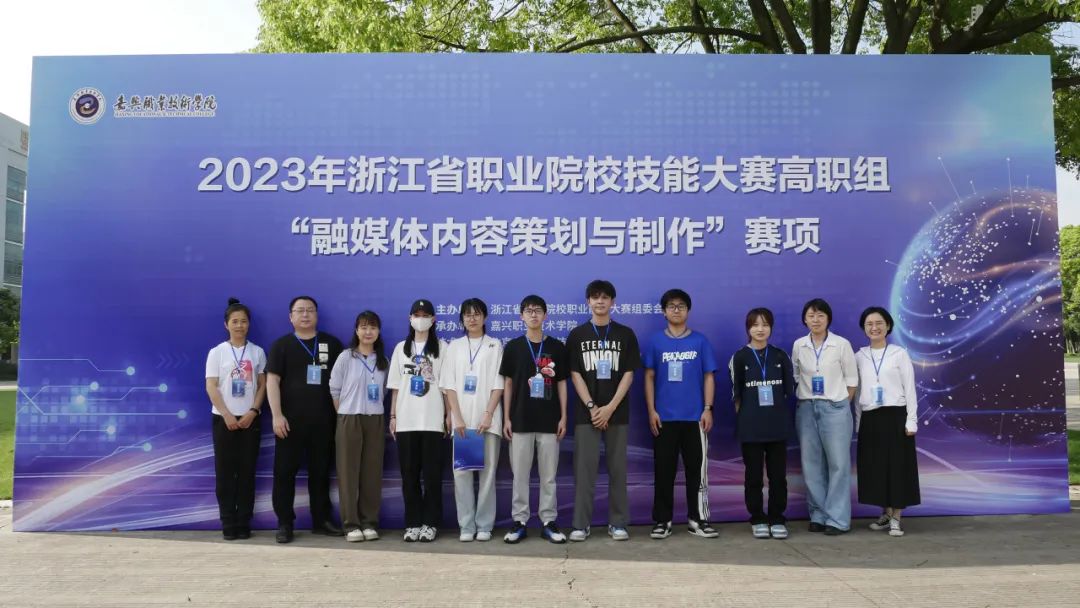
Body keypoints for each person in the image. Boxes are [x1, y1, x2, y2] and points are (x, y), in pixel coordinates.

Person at [567, 279, 641, 542]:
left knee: (618, 470)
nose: (600, 301)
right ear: (588, 301)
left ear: (613, 302)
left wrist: (609, 408)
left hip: (616, 413)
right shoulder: (577, 335)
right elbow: (575, 374)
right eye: (595, 297)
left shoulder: (625, 334)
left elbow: (629, 373)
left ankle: (618, 523)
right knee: (584, 471)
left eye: (605, 297)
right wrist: (592, 407)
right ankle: (581, 524)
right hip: (586, 414)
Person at [267, 295, 345, 544]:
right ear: (290, 317)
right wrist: (277, 415)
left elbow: (344, 381)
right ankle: (285, 523)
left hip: (324, 422)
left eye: (310, 310)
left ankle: (321, 520)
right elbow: (272, 381)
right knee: (284, 474)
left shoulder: (332, 344)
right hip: (289, 423)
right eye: (299, 310)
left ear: (317, 315)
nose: (305, 314)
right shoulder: (281, 345)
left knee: (320, 473)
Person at [643, 289, 719, 540]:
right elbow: (649, 377)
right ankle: (662, 520)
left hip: (695, 418)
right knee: (663, 471)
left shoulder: (700, 341)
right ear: (664, 312)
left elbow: (709, 377)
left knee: (697, 472)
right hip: (663, 418)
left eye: (681, 306)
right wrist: (652, 410)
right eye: (671, 306)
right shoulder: (655, 341)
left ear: (688, 310)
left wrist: (707, 408)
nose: (676, 310)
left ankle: (698, 519)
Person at [501, 295, 569, 544]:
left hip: (550, 421)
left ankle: (548, 521)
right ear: (521, 316)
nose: (533, 314)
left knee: (548, 476)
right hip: (520, 420)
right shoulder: (513, 347)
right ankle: (519, 521)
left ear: (545, 315)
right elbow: (508, 384)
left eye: (538, 310)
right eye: (528, 311)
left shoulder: (557, 347)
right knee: (520, 476)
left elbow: (561, 384)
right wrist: (506, 418)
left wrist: (564, 416)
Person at [791, 298, 858, 536]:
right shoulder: (799, 345)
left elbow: (852, 380)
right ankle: (818, 515)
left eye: (820, 315)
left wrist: (840, 403)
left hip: (835, 407)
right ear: (805, 319)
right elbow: (796, 375)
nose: (816, 320)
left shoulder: (841, 344)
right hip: (807, 407)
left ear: (828, 318)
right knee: (811, 465)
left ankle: (837, 519)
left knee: (838, 464)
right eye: (811, 316)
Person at [441, 298, 504, 542]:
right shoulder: (454, 347)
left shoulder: (494, 345)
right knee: (463, 474)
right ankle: (466, 526)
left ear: (485, 317)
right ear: (462, 319)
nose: (472, 318)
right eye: (467, 315)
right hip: (463, 422)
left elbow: (499, 383)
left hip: (488, 421)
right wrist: (455, 416)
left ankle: (485, 525)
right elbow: (449, 384)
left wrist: (488, 413)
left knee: (487, 474)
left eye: (477, 314)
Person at [855, 306, 921, 537]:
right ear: (864, 328)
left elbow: (910, 388)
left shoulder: (898, 354)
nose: (874, 328)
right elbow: (858, 392)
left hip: (895, 416)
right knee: (876, 468)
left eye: (879, 323)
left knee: (897, 467)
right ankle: (885, 513)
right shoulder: (859, 356)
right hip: (870, 418)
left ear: (888, 326)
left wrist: (911, 420)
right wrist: (858, 422)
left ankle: (896, 518)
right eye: (869, 324)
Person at [204, 298, 266, 541]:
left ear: (249, 324)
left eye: (244, 321)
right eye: (235, 321)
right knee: (225, 473)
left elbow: (262, 385)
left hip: (250, 419)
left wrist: (253, 411)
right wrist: (227, 414)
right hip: (223, 420)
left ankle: (243, 522)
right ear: (226, 324)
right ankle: (228, 521)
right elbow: (211, 386)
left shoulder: (257, 352)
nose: (239, 325)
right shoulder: (217, 352)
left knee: (247, 473)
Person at [387, 299, 448, 543]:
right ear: (410, 318)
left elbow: (446, 387)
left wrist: (448, 416)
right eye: (417, 314)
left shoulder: (442, 348)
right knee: (409, 476)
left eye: (425, 315)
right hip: (406, 421)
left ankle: (430, 523)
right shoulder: (401, 348)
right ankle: (412, 523)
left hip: (433, 420)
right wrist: (393, 416)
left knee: (432, 477)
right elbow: (395, 387)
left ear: (433, 320)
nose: (420, 319)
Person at [731, 308, 795, 540]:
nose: (760, 329)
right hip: (751, 427)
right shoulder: (740, 357)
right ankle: (757, 518)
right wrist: (748, 417)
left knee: (778, 476)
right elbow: (736, 396)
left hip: (777, 426)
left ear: (771, 328)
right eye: (755, 325)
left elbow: (788, 391)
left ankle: (777, 518)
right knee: (754, 476)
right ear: (748, 328)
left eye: (765, 324)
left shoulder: (780, 355)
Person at [329, 311, 389, 543]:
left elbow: (384, 392)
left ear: (378, 331)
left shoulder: (383, 360)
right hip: (349, 418)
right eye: (363, 327)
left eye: (372, 327)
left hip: (375, 419)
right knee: (348, 473)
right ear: (356, 330)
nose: (368, 332)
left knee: (372, 473)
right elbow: (334, 389)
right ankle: (351, 524)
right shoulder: (346, 357)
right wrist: (344, 413)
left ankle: (369, 522)